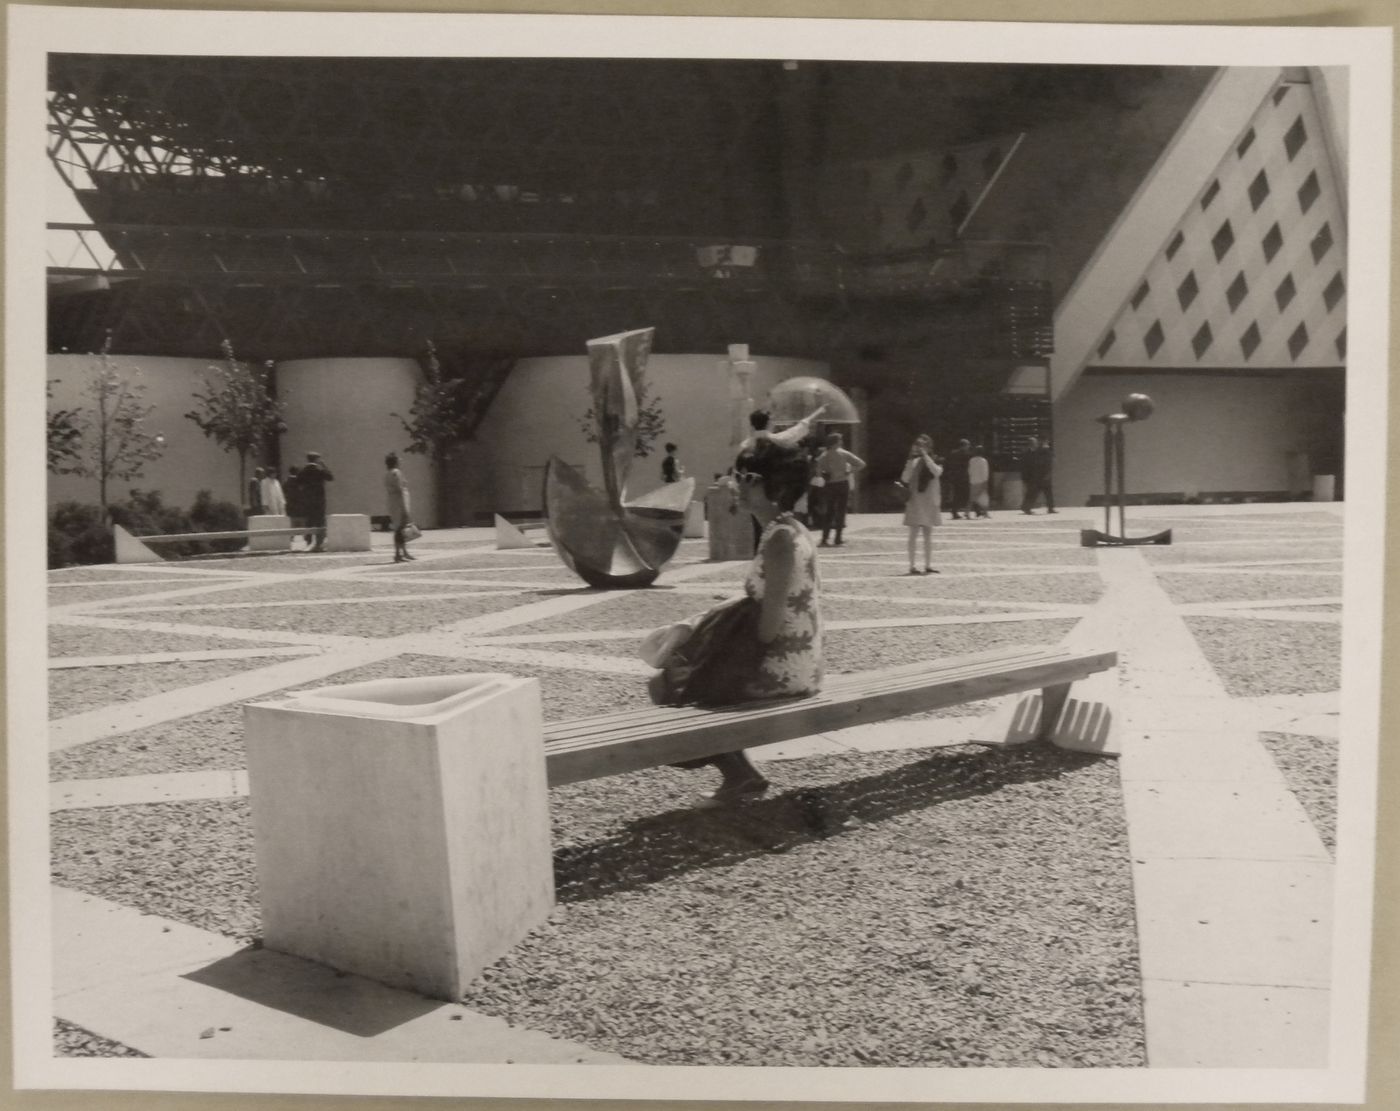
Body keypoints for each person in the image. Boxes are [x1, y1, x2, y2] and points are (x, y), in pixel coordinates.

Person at [643, 435, 822, 805]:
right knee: (687, 677)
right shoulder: (789, 530)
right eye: (737, 473)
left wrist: (715, 638)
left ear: (772, 485)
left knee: (674, 689)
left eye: (745, 475)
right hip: (799, 663)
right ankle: (741, 775)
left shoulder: (780, 541)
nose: (735, 483)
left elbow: (768, 629)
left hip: (783, 671)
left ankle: (740, 776)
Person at [901, 434, 944, 575]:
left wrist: (925, 456)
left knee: (928, 534)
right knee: (913, 533)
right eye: (919, 445)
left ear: (929, 446)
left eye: (924, 445)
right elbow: (905, 478)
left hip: (930, 500)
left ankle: (928, 565)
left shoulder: (936, 459)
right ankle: (912, 566)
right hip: (915, 500)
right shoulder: (913, 462)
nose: (921, 448)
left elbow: (936, 471)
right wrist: (910, 458)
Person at [815, 431, 865, 546]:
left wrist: (824, 474)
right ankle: (838, 538)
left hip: (830, 485)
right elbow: (861, 464)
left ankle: (824, 538)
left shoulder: (824, 455)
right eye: (840, 440)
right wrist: (849, 471)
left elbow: (817, 470)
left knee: (829, 511)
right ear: (836, 442)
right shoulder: (844, 453)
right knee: (841, 511)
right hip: (842, 483)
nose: (841, 442)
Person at [299, 451, 334, 551]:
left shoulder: (303, 471)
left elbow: (298, 483)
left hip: (307, 499)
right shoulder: (319, 470)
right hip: (319, 499)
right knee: (320, 521)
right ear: (316, 459)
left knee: (309, 520)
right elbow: (330, 477)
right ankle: (319, 543)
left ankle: (308, 542)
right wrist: (324, 466)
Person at [384, 452, 415, 563]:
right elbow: (400, 489)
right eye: (398, 460)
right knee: (400, 529)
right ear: (395, 462)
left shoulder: (387, 473)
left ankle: (403, 552)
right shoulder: (396, 472)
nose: (400, 461)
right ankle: (398, 554)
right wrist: (405, 507)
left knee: (399, 528)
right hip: (399, 503)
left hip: (392, 502)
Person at [1020, 437, 1057, 514]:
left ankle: (1051, 508)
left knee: (1048, 492)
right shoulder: (1027, 454)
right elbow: (1024, 467)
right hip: (1033, 478)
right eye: (1033, 443)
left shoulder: (1041, 451)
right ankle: (1026, 508)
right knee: (1032, 493)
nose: (1035, 444)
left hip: (1043, 475)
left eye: (1036, 443)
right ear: (1030, 444)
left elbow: (1049, 457)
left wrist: (1046, 447)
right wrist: (1025, 479)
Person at [944, 438, 972, 519]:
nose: (969, 447)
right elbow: (967, 466)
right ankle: (960, 511)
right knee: (965, 494)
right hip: (963, 477)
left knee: (957, 494)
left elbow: (947, 464)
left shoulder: (952, 453)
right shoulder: (966, 454)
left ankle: (954, 511)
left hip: (954, 477)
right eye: (968, 445)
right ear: (963, 446)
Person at [967, 444, 991, 518]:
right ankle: (986, 513)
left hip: (973, 481)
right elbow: (985, 472)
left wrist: (971, 478)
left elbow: (969, 470)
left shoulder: (971, 460)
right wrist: (985, 481)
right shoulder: (983, 461)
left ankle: (967, 512)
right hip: (981, 481)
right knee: (985, 498)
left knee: (972, 498)